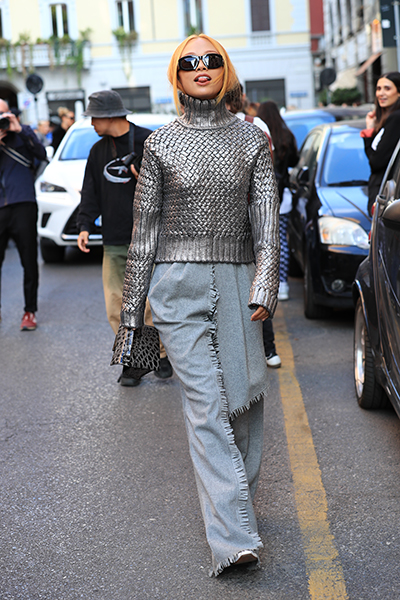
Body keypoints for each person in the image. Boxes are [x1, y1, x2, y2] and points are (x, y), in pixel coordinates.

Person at [116, 34, 280, 575]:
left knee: (245, 401)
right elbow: (144, 235)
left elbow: (266, 220)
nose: (201, 67)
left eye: (211, 60)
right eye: (190, 62)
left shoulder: (252, 138)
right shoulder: (161, 143)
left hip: (238, 279)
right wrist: (132, 316)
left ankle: (235, 505)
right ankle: (231, 539)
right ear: (177, 74)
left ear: (225, 70)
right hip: (176, 286)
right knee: (206, 406)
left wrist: (265, 283)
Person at [76, 90, 173, 386]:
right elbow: (90, 191)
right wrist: (84, 225)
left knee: (148, 305)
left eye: (94, 117)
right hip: (114, 239)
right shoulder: (97, 151)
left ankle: (158, 356)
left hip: (148, 237)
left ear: (109, 116)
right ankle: (135, 360)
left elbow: (173, 187)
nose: (92, 123)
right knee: (116, 305)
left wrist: (145, 177)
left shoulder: (148, 142)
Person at [225, 87, 281, 369]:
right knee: (252, 282)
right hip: (243, 216)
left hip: (244, 217)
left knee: (250, 281)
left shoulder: (253, 126)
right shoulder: (255, 124)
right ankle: (265, 349)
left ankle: (265, 348)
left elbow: (265, 174)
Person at [0, 98, 46, 330]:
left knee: (28, 260)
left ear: (10, 114)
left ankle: (30, 311)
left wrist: (20, 130)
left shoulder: (23, 133)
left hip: (23, 203)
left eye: (3, 114)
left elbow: (41, 153)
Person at [258, 101, 298, 302]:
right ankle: (283, 284)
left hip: (262, 197)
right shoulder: (286, 135)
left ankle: (265, 284)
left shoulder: (258, 132)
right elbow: (295, 161)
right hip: (284, 197)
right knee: (281, 240)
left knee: (262, 242)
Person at [361, 72, 400, 215]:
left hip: (388, 197)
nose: (381, 93)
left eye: (387, 88)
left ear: (399, 92)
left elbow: (376, 162)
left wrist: (368, 134)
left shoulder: (396, 118)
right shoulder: (387, 118)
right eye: (378, 89)